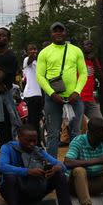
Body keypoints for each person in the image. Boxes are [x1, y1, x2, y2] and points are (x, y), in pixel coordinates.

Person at [0, 124, 79, 205]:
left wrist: (54, 169)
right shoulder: (8, 148)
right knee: (10, 177)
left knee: (60, 175)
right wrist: (27, 172)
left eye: (34, 141)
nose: (31, 144)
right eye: (28, 141)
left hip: (35, 189)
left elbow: (62, 165)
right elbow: (1, 167)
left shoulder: (38, 150)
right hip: (16, 192)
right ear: (19, 138)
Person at [34, 23, 87, 157]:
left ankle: (76, 163)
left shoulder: (76, 50)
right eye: (55, 31)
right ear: (51, 34)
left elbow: (83, 73)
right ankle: (53, 166)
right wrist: (51, 94)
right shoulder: (44, 52)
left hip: (74, 98)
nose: (58, 33)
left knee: (76, 132)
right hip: (53, 99)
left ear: (65, 33)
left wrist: (77, 92)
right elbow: (39, 76)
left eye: (61, 31)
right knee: (53, 134)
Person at [80, 40, 102, 120]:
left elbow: (100, 76)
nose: (89, 46)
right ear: (82, 47)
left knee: (99, 122)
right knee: (79, 126)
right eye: (86, 44)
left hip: (90, 98)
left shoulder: (94, 60)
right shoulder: (78, 59)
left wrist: (94, 61)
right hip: (78, 98)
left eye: (91, 45)